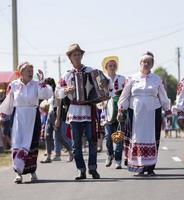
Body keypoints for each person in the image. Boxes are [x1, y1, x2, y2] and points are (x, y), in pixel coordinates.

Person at [0, 62, 53, 183]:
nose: (30, 72)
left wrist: (42, 82)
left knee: (32, 144)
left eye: (32, 70)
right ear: (21, 72)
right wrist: (2, 117)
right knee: (18, 144)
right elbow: (8, 102)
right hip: (19, 118)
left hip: (33, 116)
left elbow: (47, 95)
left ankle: (32, 171)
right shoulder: (14, 85)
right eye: (28, 70)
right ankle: (18, 173)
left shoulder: (37, 84)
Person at [117, 51, 170, 176]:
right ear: (140, 63)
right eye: (143, 62)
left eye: (148, 62)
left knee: (152, 138)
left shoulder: (157, 79)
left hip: (153, 113)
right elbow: (124, 96)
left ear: (152, 64)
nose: (146, 64)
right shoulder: (131, 79)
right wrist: (121, 110)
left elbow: (163, 96)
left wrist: (168, 110)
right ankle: (137, 166)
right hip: (135, 113)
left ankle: (150, 167)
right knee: (137, 138)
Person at [56, 43, 100, 180]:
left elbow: (101, 85)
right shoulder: (67, 75)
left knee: (92, 141)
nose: (77, 56)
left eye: (79, 54)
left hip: (88, 110)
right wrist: (66, 90)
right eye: (74, 54)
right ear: (70, 57)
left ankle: (93, 169)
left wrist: (103, 87)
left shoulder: (90, 71)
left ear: (81, 55)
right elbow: (58, 93)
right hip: (74, 112)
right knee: (76, 145)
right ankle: (81, 170)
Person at [100, 56, 126, 169]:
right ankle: (110, 154)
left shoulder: (122, 78)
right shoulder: (102, 79)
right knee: (108, 136)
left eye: (114, 65)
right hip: (107, 111)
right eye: (110, 65)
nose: (112, 67)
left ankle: (118, 160)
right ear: (106, 67)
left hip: (119, 110)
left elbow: (125, 94)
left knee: (119, 136)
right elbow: (99, 95)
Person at [40, 78, 73, 163]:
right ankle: (48, 156)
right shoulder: (47, 94)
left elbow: (58, 106)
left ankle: (70, 151)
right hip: (49, 115)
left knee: (60, 136)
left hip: (56, 115)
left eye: (47, 85)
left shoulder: (56, 92)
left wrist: (57, 119)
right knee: (47, 135)